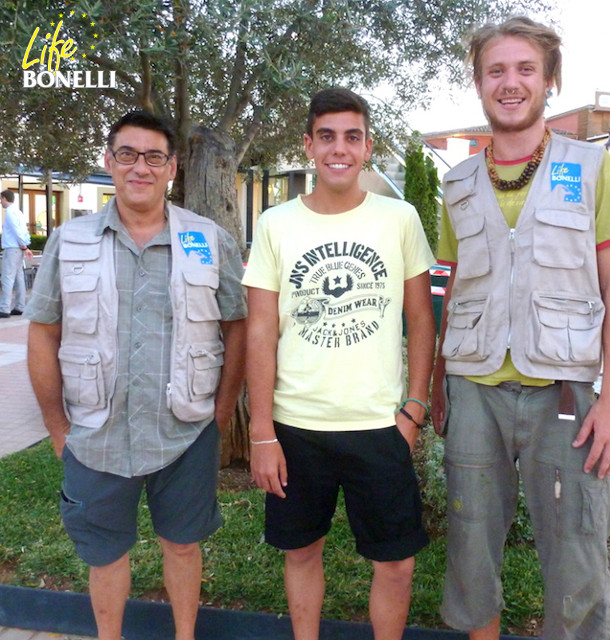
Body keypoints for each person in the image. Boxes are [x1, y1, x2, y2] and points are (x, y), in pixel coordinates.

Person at [430, 16, 610, 640]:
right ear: (479, 82)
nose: (511, 82)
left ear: (549, 80)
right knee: (470, 549)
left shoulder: (591, 167)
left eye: (525, 69)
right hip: (474, 391)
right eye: (497, 70)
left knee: (576, 551)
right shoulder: (458, 181)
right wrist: (439, 387)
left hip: (567, 397)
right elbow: (457, 284)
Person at [25, 110, 247, 640]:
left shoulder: (210, 239)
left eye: (153, 157)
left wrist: (220, 412)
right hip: (96, 431)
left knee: (183, 544)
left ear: (172, 167)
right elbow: (42, 333)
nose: (139, 167)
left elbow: (239, 327)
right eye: (127, 154)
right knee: (104, 554)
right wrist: (58, 428)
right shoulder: (70, 240)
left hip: (185, 429)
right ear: (109, 161)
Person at [243, 88, 436, 640]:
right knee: (302, 554)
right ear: (309, 145)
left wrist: (414, 409)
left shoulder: (398, 218)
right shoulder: (277, 224)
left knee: (396, 565)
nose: (339, 149)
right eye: (326, 136)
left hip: (379, 425)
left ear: (367, 147)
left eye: (352, 137)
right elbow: (260, 329)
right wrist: (261, 431)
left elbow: (421, 320)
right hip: (296, 425)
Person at [0, 189, 33, 318]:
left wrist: (24, 247)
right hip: (18, 249)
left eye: (1, 199)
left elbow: (16, 231)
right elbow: (23, 231)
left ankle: (4, 308)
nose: (0, 202)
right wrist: (25, 246)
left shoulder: (10, 213)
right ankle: (20, 306)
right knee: (19, 277)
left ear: (4, 198)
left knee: (7, 277)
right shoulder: (18, 212)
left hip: (12, 248)